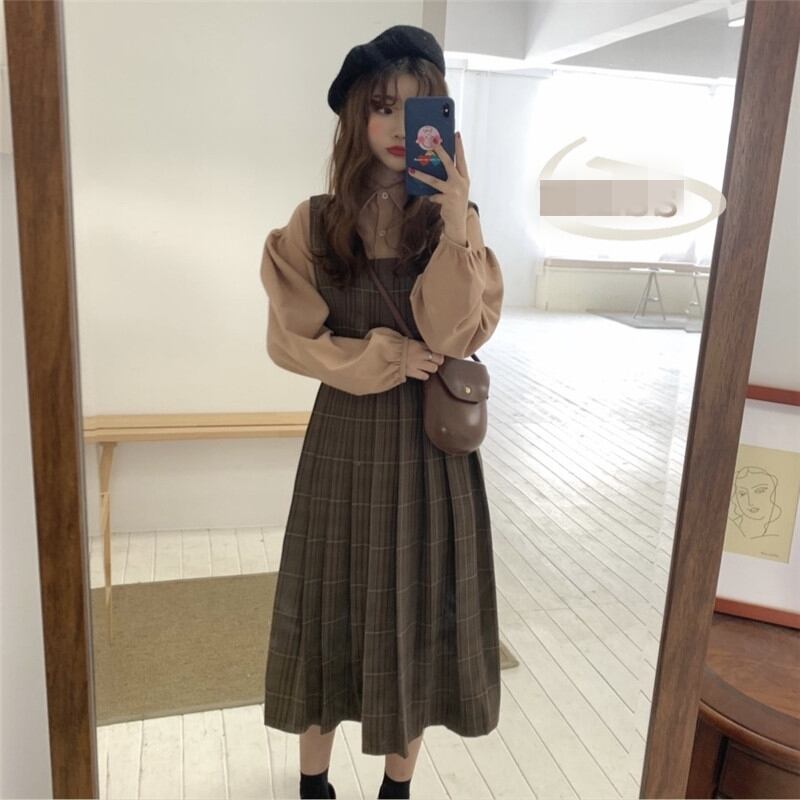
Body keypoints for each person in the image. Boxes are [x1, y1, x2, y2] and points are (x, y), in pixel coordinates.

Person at [258, 24, 504, 800]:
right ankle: (313, 786)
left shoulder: (456, 224)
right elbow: (291, 341)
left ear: (442, 118)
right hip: (346, 446)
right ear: (356, 117)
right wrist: (382, 358)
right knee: (329, 609)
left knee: (419, 619)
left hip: (430, 452)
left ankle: (397, 789)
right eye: (382, 107)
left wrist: (455, 219)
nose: (400, 126)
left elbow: (452, 333)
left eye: (417, 107)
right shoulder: (314, 222)